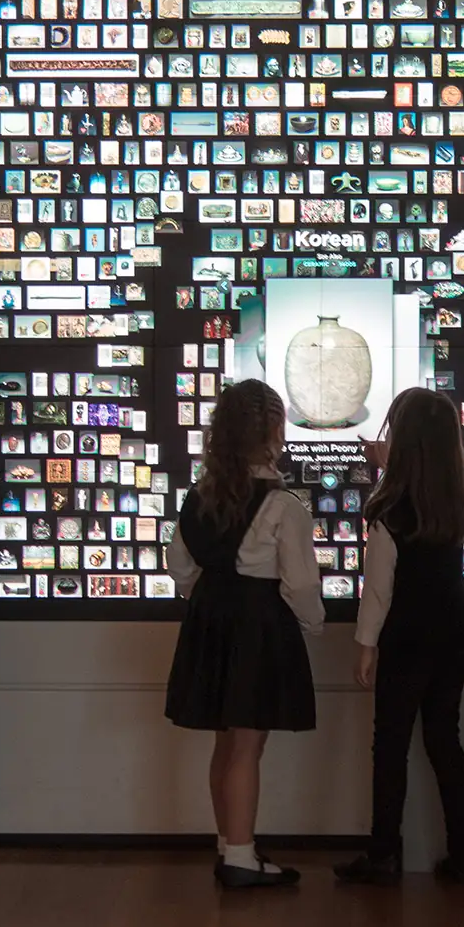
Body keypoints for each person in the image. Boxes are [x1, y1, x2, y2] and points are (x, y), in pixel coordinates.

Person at [164, 379, 323, 889]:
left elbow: (181, 568)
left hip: (211, 620)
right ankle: (239, 855)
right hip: (257, 626)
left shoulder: (199, 498)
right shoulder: (284, 507)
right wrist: (312, 623)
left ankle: (230, 842)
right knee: (247, 747)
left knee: (225, 742)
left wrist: (210, 599)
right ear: (276, 431)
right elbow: (300, 584)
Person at [334, 389, 464, 888]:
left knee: (390, 743)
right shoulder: (455, 504)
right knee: (445, 738)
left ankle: (383, 854)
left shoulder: (387, 513)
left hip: (407, 634)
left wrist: (364, 644)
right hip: (454, 629)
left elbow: (379, 590)